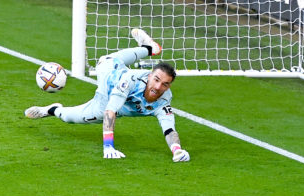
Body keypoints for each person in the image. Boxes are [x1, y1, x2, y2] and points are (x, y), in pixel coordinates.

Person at [24, 29, 190, 162]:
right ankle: (149, 48)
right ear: (149, 76)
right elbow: (110, 111)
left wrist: (177, 150)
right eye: (156, 80)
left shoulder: (163, 100)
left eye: (165, 84)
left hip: (117, 104)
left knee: (71, 118)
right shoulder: (130, 80)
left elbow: (169, 129)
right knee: (106, 60)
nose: (158, 86)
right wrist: (108, 147)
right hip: (108, 85)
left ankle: (53, 109)